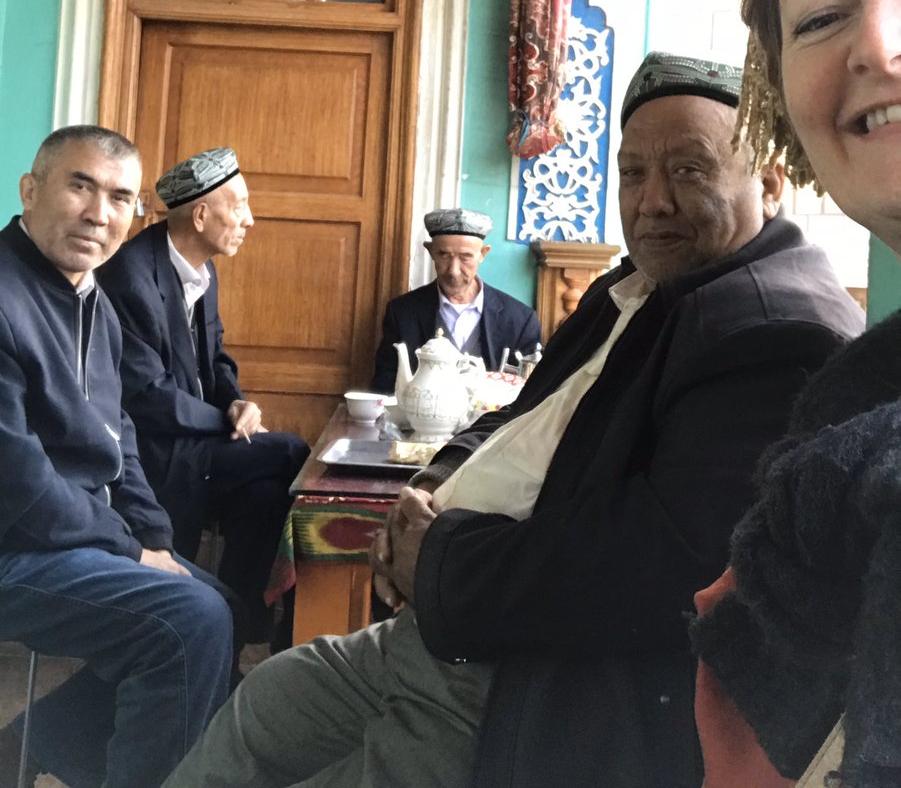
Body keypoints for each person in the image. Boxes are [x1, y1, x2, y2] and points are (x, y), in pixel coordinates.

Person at [162, 52, 864, 788]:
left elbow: (655, 560)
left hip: (530, 681)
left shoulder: (770, 331)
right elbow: (514, 414)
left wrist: (438, 561)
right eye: (632, 174)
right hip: (443, 631)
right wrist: (429, 488)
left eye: (688, 171)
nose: (651, 201)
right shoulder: (636, 288)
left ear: (771, 182)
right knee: (266, 700)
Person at [691, 0, 901, 788]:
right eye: (819, 18)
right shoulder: (847, 411)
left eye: (688, 168)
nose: (877, 43)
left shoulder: (770, 329)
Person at [0, 125, 234, 788]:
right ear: (31, 189)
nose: (98, 213)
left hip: (65, 537)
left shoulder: (92, 298)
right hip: (12, 544)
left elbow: (117, 436)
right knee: (188, 621)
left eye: (119, 197)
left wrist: (152, 532)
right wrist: (131, 551)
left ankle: (34, 743)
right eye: (80, 185)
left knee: (222, 604)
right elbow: (19, 484)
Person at [98, 146, 308, 645]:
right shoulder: (132, 275)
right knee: (293, 453)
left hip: (199, 440)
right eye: (239, 207)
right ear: (199, 214)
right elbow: (147, 397)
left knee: (264, 496)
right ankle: (243, 620)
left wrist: (236, 401)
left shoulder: (201, 268)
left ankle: (232, 632)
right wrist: (226, 423)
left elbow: (216, 358)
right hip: (156, 452)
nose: (249, 220)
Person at [369, 207, 541, 396]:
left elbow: (530, 393)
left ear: (483, 254)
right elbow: (384, 384)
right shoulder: (402, 312)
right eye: (444, 255)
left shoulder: (520, 320)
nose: (454, 270)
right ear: (431, 251)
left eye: (466, 257)